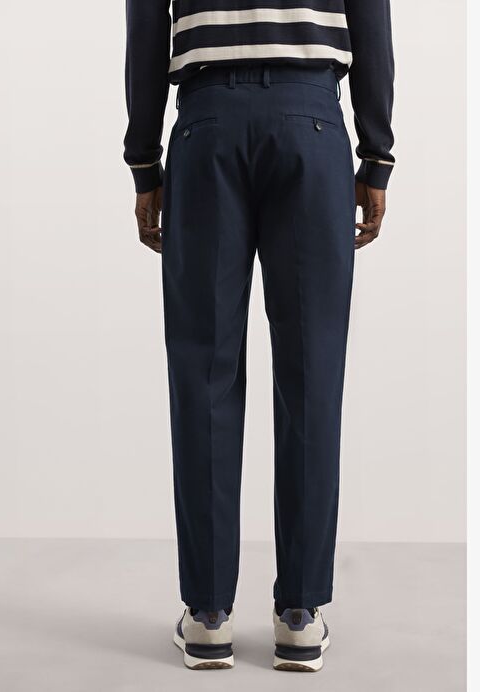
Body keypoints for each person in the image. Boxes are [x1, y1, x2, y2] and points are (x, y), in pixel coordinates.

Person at [124, 0, 394, 672]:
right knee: (312, 372)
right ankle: (300, 613)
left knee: (204, 373)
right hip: (311, 123)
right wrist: (376, 154)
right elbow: (371, 16)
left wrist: (144, 162)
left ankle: (208, 613)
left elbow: (145, 24)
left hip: (207, 124)